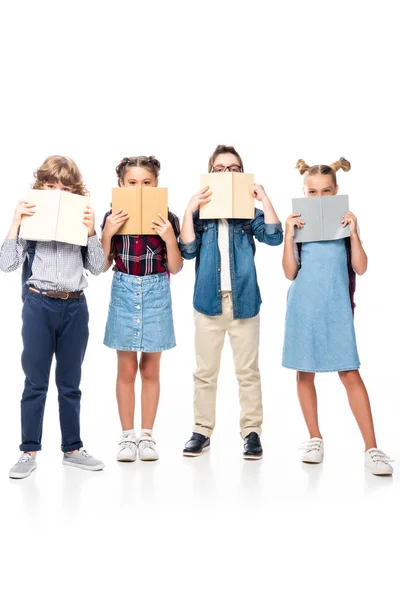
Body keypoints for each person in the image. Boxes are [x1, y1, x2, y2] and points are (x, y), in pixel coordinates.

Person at [282, 158, 393, 475]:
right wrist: (289, 236)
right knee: (305, 371)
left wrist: (354, 233)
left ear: (337, 191)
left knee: (350, 373)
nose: (319, 198)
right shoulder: (299, 224)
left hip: (336, 307)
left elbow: (361, 267)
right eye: (312, 192)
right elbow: (291, 273)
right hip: (302, 305)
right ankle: (314, 438)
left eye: (326, 191)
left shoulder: (345, 225)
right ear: (304, 192)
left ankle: (371, 447)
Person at [0, 155, 105, 479]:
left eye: (64, 187)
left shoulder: (80, 217)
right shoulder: (32, 219)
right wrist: (16, 222)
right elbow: (7, 264)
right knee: (35, 382)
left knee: (70, 383)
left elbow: (99, 267)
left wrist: (91, 232)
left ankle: (72, 449)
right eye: (51, 185)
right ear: (41, 186)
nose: (57, 191)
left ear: (74, 190)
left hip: (74, 307)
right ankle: (28, 451)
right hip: (39, 305)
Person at [180, 144, 283, 459]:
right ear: (211, 175)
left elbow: (275, 236)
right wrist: (189, 210)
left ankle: (252, 433)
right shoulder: (201, 217)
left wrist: (263, 199)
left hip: (244, 303)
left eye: (234, 169)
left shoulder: (248, 215)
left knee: (248, 371)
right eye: (220, 168)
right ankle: (201, 431)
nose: (227, 173)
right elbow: (187, 251)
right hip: (208, 304)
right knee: (205, 372)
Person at [101, 155, 182, 462]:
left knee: (150, 369)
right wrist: (108, 231)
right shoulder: (112, 215)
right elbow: (103, 264)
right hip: (123, 291)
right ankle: (126, 437)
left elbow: (175, 266)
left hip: (157, 291)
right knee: (126, 368)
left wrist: (168, 238)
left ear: (156, 185)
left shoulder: (167, 218)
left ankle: (146, 435)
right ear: (121, 185)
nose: (139, 188)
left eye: (146, 183)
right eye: (131, 183)